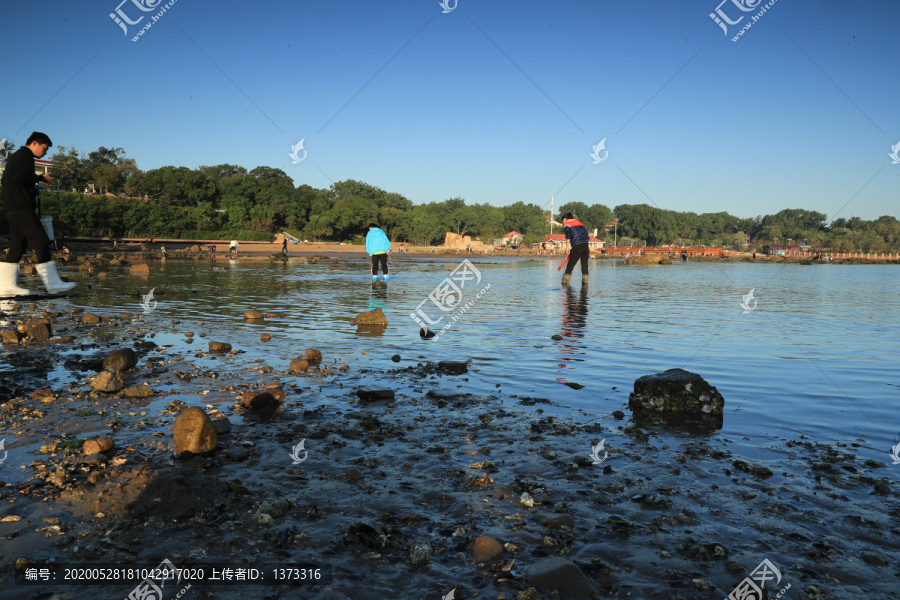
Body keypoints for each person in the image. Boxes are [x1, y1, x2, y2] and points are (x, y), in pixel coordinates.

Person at [0, 132, 76, 296]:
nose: (45, 152)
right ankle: (53, 284)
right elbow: (22, 177)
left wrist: (30, 186)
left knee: (18, 246)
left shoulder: (17, 157)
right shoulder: (25, 156)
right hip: (21, 207)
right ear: (34, 143)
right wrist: (41, 178)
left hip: (12, 206)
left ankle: (5, 286)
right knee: (41, 241)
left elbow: (9, 180)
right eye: (44, 148)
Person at [561, 212, 589, 286]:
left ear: (565, 219)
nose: (562, 223)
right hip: (586, 246)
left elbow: (568, 236)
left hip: (577, 246)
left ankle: (564, 285)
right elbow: (587, 235)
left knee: (570, 267)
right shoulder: (580, 223)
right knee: (584, 265)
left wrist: (567, 247)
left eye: (562, 220)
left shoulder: (567, 224)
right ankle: (585, 285)